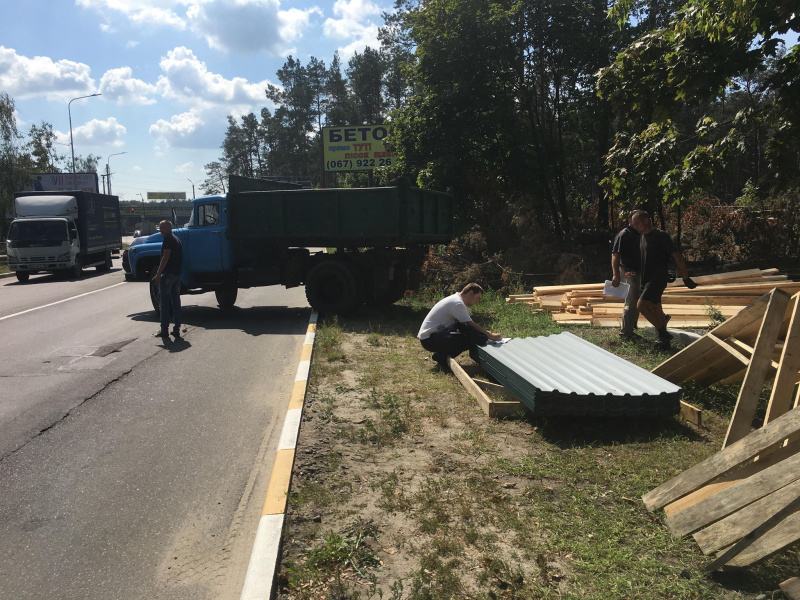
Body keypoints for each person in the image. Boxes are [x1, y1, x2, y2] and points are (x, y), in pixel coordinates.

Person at [630, 210, 698, 350]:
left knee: (641, 306)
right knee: (655, 308)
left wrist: (685, 277)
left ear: (646, 221)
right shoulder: (642, 237)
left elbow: (677, 256)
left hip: (657, 279)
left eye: (637, 223)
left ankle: (663, 334)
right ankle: (664, 343)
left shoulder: (660, 236)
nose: (634, 226)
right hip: (646, 278)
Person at [418, 283, 502, 371]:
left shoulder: (457, 300)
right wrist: (491, 336)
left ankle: (441, 355)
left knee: (466, 333)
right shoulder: (457, 303)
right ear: (471, 293)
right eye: (477, 298)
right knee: (468, 338)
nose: (477, 301)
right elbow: (470, 324)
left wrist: (484, 333)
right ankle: (443, 359)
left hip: (433, 336)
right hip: (429, 340)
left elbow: (466, 325)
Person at [611, 213, 642, 341]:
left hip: (640, 270)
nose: (638, 224)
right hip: (628, 270)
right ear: (630, 220)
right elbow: (615, 255)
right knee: (631, 300)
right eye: (636, 221)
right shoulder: (624, 234)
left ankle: (632, 326)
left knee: (638, 299)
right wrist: (616, 274)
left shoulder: (640, 233)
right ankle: (626, 333)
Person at [152, 220, 183, 339]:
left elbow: (166, 256)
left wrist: (158, 273)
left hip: (168, 275)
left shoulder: (168, 239)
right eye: (160, 227)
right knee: (176, 302)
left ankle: (164, 330)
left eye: (163, 228)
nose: (160, 230)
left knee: (164, 304)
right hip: (177, 275)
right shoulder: (176, 239)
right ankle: (176, 329)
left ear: (169, 228)